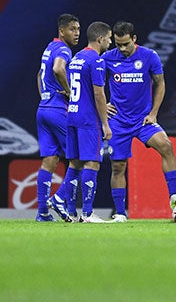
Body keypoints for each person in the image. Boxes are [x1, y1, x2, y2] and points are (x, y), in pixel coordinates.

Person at [102, 21, 176, 223]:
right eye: (118, 44)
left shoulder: (150, 56)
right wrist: (102, 105)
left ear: (134, 39)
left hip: (143, 120)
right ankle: (120, 213)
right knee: (118, 166)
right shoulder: (107, 58)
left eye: (125, 44)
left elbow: (160, 84)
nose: (122, 49)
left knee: (166, 146)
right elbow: (93, 83)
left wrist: (154, 113)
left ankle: (174, 197)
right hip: (118, 122)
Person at [47, 21, 113, 223]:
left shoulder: (77, 58)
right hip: (87, 119)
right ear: (100, 39)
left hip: (72, 116)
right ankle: (87, 212)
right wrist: (105, 124)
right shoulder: (97, 61)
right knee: (93, 162)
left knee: (75, 162)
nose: (110, 43)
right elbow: (98, 94)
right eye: (109, 38)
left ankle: (59, 200)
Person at [35, 14, 80, 221]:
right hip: (57, 110)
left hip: (43, 108)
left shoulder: (49, 48)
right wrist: (69, 92)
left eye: (78, 29)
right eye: (72, 29)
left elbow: (39, 75)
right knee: (80, 156)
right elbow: (58, 69)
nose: (77, 33)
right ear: (61, 31)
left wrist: (45, 95)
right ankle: (60, 199)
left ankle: (42, 212)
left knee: (50, 160)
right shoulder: (63, 49)